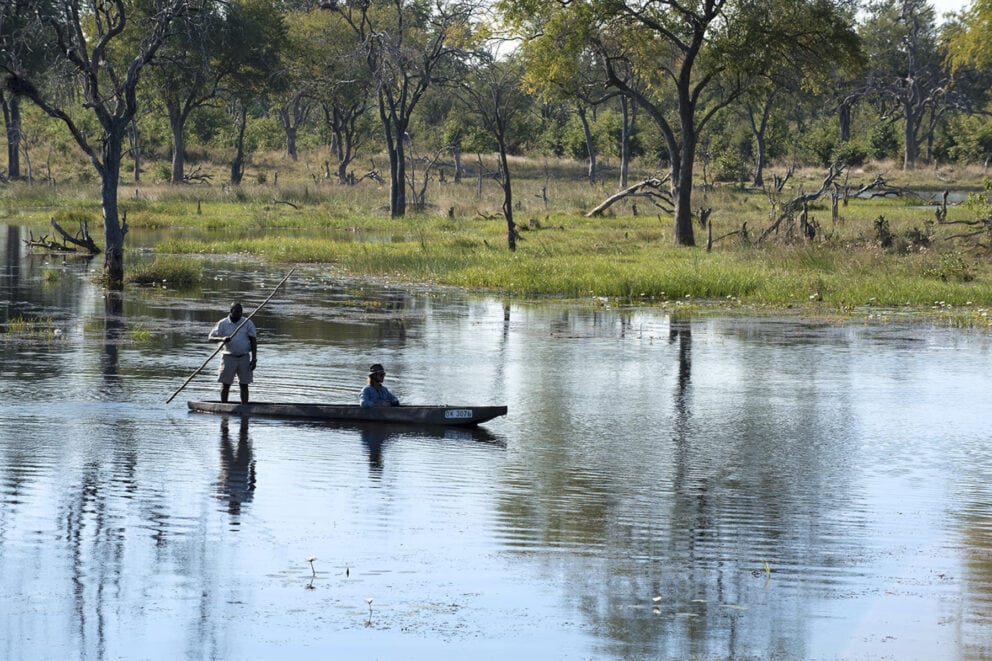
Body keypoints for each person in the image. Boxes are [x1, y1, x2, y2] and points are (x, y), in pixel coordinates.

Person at [209, 302, 257, 404]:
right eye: (236, 312)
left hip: (244, 357)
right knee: (225, 384)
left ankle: (244, 407)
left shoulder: (247, 323)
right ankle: (224, 407)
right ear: (231, 311)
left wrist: (254, 359)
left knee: (244, 384)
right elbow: (210, 338)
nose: (239, 314)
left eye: (240, 312)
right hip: (228, 357)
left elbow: (253, 341)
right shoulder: (223, 323)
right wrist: (222, 339)